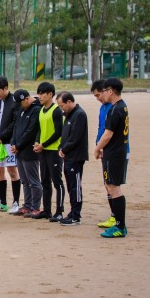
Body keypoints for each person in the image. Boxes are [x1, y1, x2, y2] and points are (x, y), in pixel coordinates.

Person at [94, 78, 129, 238]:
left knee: (114, 188)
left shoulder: (115, 109)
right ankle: (118, 223)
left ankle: (120, 226)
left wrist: (97, 148)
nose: (103, 94)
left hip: (114, 154)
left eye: (104, 91)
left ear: (110, 91)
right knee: (111, 186)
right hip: (115, 152)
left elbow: (108, 134)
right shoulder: (121, 106)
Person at [32, 82, 65, 221]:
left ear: (50, 94)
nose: (39, 96)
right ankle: (47, 210)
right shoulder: (41, 110)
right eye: (38, 93)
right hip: (43, 151)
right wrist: (37, 142)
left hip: (54, 151)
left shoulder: (56, 110)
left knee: (57, 182)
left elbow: (58, 132)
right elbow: (40, 129)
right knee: (45, 181)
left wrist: (43, 144)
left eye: (42, 93)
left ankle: (59, 211)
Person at [56, 92, 89, 226]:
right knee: (70, 185)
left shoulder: (79, 114)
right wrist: (61, 147)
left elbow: (75, 137)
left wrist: (64, 149)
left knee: (75, 187)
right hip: (68, 156)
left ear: (69, 102)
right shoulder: (68, 114)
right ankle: (72, 212)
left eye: (61, 105)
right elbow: (65, 135)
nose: (61, 109)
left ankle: (76, 215)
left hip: (76, 156)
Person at [0, 76, 22, 214]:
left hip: (8, 142)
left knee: (12, 171)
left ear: (6, 88)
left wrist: (2, 138)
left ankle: (16, 202)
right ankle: (2, 202)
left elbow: (14, 123)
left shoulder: (15, 101)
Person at [10, 89, 41, 217]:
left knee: (33, 180)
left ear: (27, 99)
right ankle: (27, 205)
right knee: (24, 180)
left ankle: (35, 207)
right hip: (19, 151)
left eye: (20, 103)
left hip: (29, 151)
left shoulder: (36, 109)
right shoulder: (22, 110)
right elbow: (16, 127)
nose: (19, 106)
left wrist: (18, 145)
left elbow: (31, 131)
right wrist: (13, 143)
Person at [91, 80, 116, 229]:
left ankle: (116, 217)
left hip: (112, 151)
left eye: (98, 95)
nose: (98, 98)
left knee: (112, 185)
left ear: (107, 91)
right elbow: (101, 127)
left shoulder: (114, 108)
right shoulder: (103, 107)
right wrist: (98, 144)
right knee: (107, 184)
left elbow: (110, 132)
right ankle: (113, 215)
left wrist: (100, 146)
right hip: (104, 149)